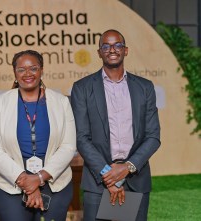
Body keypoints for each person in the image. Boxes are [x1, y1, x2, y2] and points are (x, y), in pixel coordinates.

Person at [71, 29, 161, 221]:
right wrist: (109, 175)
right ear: (99, 52)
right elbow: (81, 137)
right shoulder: (82, 88)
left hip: (134, 179)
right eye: (106, 45)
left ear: (125, 50)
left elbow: (153, 136)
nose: (112, 49)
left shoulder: (144, 87)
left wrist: (127, 167)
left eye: (117, 45)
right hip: (99, 182)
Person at [0, 50, 76, 221]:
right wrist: (26, 181)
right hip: (9, 185)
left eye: (33, 68)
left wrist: (40, 177)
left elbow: (68, 146)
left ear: (41, 70)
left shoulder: (61, 102)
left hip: (54, 183)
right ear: (15, 73)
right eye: (21, 69)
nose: (27, 74)